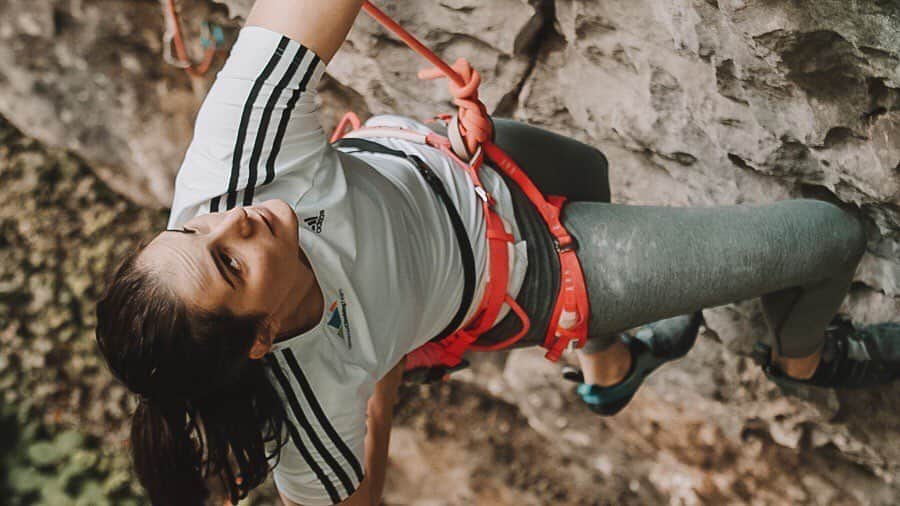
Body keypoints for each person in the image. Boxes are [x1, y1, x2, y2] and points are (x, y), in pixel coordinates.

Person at [93, 0, 900, 504]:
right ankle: (803, 360)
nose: (234, 221)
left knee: (594, 171)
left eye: (194, 228)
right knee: (830, 237)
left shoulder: (230, 167)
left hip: (470, 159)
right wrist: (377, 396)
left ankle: (607, 368)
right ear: (262, 340)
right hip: (537, 277)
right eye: (229, 264)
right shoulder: (307, 416)